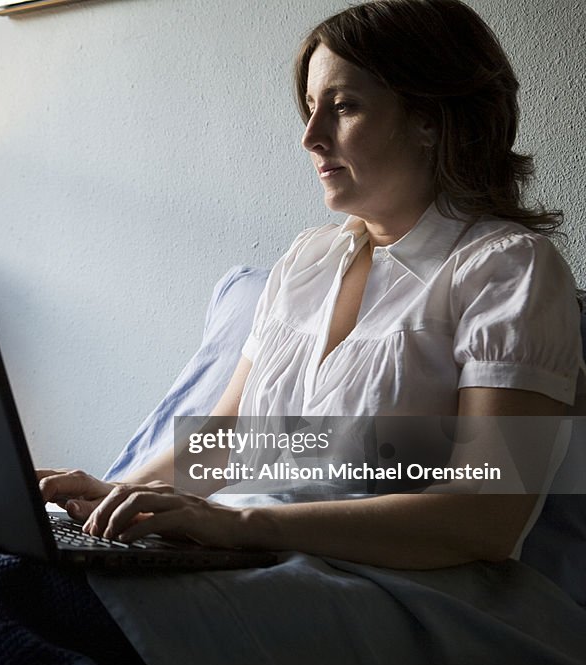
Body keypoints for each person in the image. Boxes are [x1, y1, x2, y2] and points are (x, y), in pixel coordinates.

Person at [39, 0, 583, 572]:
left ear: (431, 118)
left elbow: (485, 518)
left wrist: (237, 525)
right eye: (309, 108)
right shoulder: (308, 259)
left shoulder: (509, 270)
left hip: (396, 588)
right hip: (248, 566)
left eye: (344, 107)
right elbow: (222, 442)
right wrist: (111, 496)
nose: (311, 137)